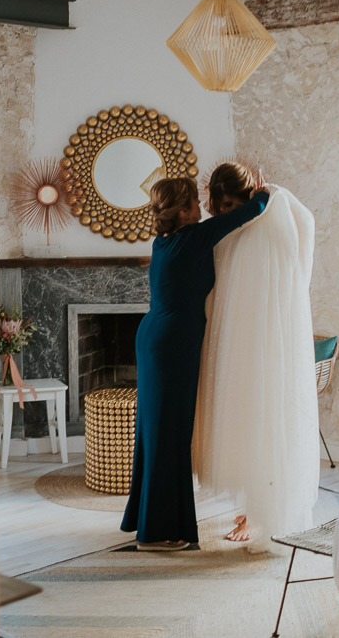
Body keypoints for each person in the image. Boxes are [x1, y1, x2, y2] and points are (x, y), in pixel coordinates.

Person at [121, 176, 269, 551]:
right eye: (194, 201)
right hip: (172, 344)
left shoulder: (164, 242)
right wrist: (264, 191)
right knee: (169, 436)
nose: (202, 206)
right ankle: (156, 534)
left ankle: (148, 520)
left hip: (156, 336)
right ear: (183, 209)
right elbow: (255, 209)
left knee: (157, 434)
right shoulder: (194, 237)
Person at [192, 162, 319, 552]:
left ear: (247, 197)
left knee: (264, 424)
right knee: (242, 424)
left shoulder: (270, 220)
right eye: (220, 207)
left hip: (264, 342)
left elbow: (295, 261)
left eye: (231, 204)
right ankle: (250, 509)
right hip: (238, 341)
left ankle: (263, 517)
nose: (225, 213)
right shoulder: (235, 229)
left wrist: (271, 193)